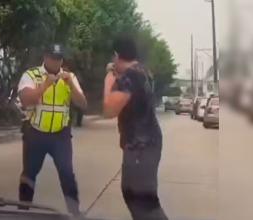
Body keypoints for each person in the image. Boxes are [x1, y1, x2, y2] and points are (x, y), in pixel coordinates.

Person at [103, 35, 168, 220]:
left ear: (117, 55)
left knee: (143, 201)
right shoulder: (142, 71)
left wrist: (108, 82)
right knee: (132, 194)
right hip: (145, 144)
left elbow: (109, 110)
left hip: (141, 147)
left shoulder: (130, 77)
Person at [17, 44, 87, 216]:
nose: (56, 62)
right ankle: (23, 211)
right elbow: (26, 100)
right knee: (29, 174)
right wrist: (45, 84)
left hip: (60, 135)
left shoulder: (69, 77)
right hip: (35, 132)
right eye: (52, 58)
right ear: (45, 57)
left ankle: (74, 212)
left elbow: (82, 104)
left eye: (59, 58)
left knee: (67, 174)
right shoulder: (31, 75)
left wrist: (71, 84)